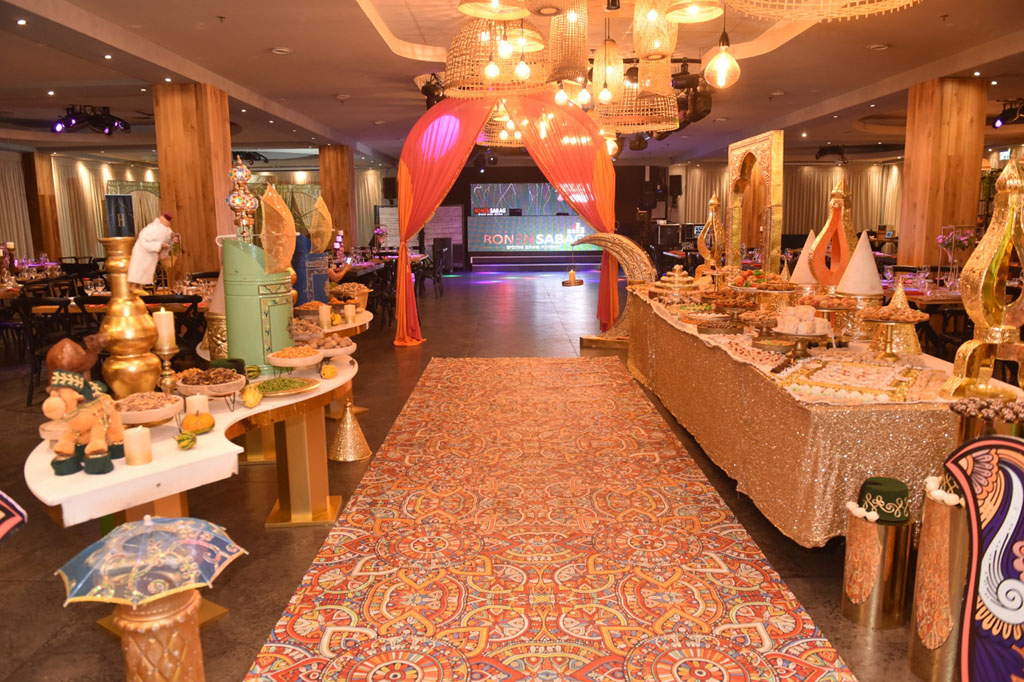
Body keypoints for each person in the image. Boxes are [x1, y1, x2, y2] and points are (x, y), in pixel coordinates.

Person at [127, 213, 173, 288]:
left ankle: (141, 288)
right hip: (141, 252)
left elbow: (168, 241)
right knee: (137, 272)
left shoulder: (167, 231)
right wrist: (158, 245)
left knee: (145, 274)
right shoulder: (152, 228)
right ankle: (133, 288)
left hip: (152, 255)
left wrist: (169, 243)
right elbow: (143, 241)